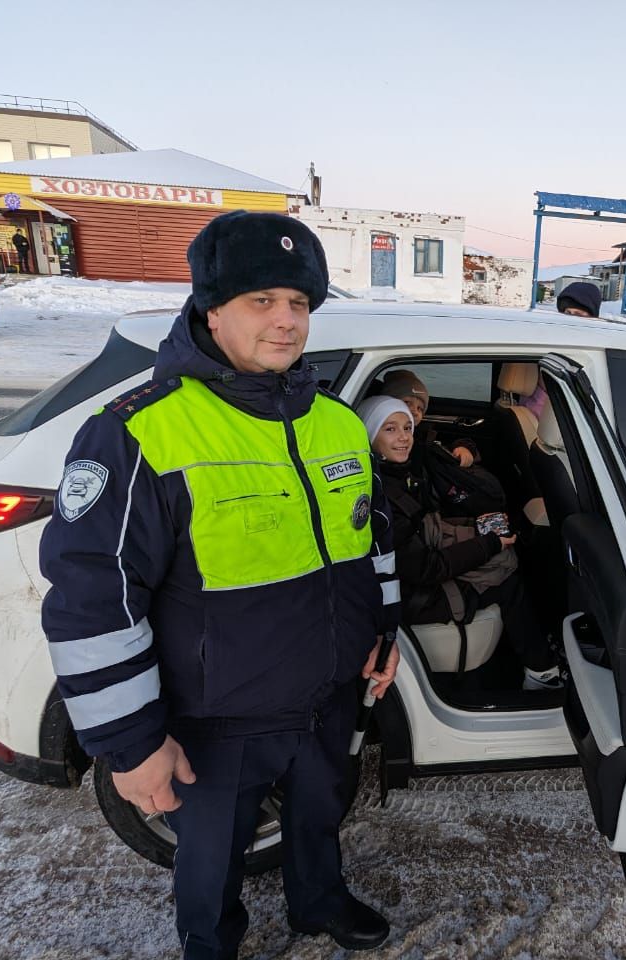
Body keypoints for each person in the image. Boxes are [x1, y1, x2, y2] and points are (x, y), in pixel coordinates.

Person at [39, 210, 401, 958]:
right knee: (209, 861)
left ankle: (317, 902)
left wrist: (385, 634)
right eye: (262, 301)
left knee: (319, 817)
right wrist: (133, 746)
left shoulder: (335, 424)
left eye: (299, 303)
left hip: (328, 696)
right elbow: (92, 597)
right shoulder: (143, 430)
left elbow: (371, 541)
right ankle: (211, 945)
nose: (286, 321)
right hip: (218, 718)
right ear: (211, 306)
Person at [358, 395, 562, 692]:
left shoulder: (399, 471)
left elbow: (428, 528)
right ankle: (542, 673)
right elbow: (426, 569)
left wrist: (479, 530)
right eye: (390, 429)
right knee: (508, 582)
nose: (404, 438)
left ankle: (537, 661)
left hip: (417, 575)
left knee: (509, 559)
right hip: (413, 597)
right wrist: (489, 544)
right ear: (368, 433)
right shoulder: (381, 498)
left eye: (407, 427)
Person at [379, 368, 507, 518]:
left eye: (420, 408)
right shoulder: (400, 449)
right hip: (431, 512)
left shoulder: (420, 436)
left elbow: (440, 447)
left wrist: (463, 447)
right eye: (407, 403)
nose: (414, 411)